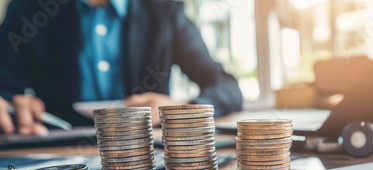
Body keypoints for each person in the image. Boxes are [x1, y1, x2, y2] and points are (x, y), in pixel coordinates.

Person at [0, 0, 243, 135]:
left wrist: (182, 109)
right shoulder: (28, 10)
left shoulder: (165, 9)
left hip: (147, 151)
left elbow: (226, 87)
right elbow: (5, 90)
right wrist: (10, 106)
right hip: (53, 155)